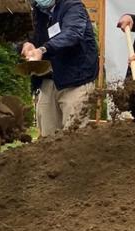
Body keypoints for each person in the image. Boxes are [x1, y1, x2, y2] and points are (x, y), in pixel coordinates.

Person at [21, 0, 99, 136]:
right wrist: (25, 45)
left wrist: (43, 50)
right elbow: (25, 35)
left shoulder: (73, 7)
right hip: (48, 81)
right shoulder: (36, 11)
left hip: (75, 82)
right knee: (47, 139)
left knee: (74, 138)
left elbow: (72, 34)